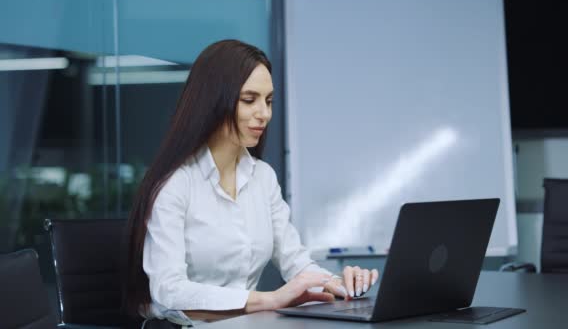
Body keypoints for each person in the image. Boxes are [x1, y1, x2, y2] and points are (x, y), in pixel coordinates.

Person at [124, 39, 379, 326]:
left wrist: (339, 283)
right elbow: (168, 292)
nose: (264, 114)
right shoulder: (174, 184)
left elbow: (296, 261)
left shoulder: (263, 177)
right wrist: (270, 300)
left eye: (268, 101)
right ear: (214, 101)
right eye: (249, 100)